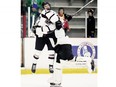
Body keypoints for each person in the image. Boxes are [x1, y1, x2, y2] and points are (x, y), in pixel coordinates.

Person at [31, 2, 59, 79]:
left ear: (50, 6)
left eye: (48, 5)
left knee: (51, 51)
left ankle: (51, 66)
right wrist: (35, 27)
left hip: (50, 34)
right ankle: (34, 64)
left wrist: (53, 22)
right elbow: (38, 22)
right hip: (40, 34)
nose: (47, 6)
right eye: (45, 6)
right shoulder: (41, 14)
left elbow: (57, 21)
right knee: (37, 51)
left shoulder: (54, 13)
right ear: (44, 7)